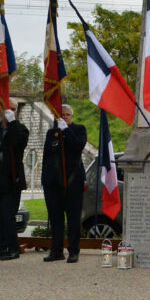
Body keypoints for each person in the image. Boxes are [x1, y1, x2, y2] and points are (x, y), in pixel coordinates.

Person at [0, 101, 29, 261]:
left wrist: (13, 123)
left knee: (8, 216)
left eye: (13, 110)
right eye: (7, 110)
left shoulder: (20, 129)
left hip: (11, 182)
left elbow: (19, 144)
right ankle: (1, 247)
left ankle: (13, 248)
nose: (10, 112)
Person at [42, 105, 87, 263]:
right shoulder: (51, 133)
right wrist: (45, 180)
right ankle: (56, 250)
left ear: (72, 117)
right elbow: (47, 157)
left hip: (73, 181)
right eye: (63, 115)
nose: (65, 117)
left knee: (73, 218)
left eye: (68, 115)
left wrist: (66, 131)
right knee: (55, 218)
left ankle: (73, 251)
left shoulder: (79, 129)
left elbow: (77, 147)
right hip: (53, 182)